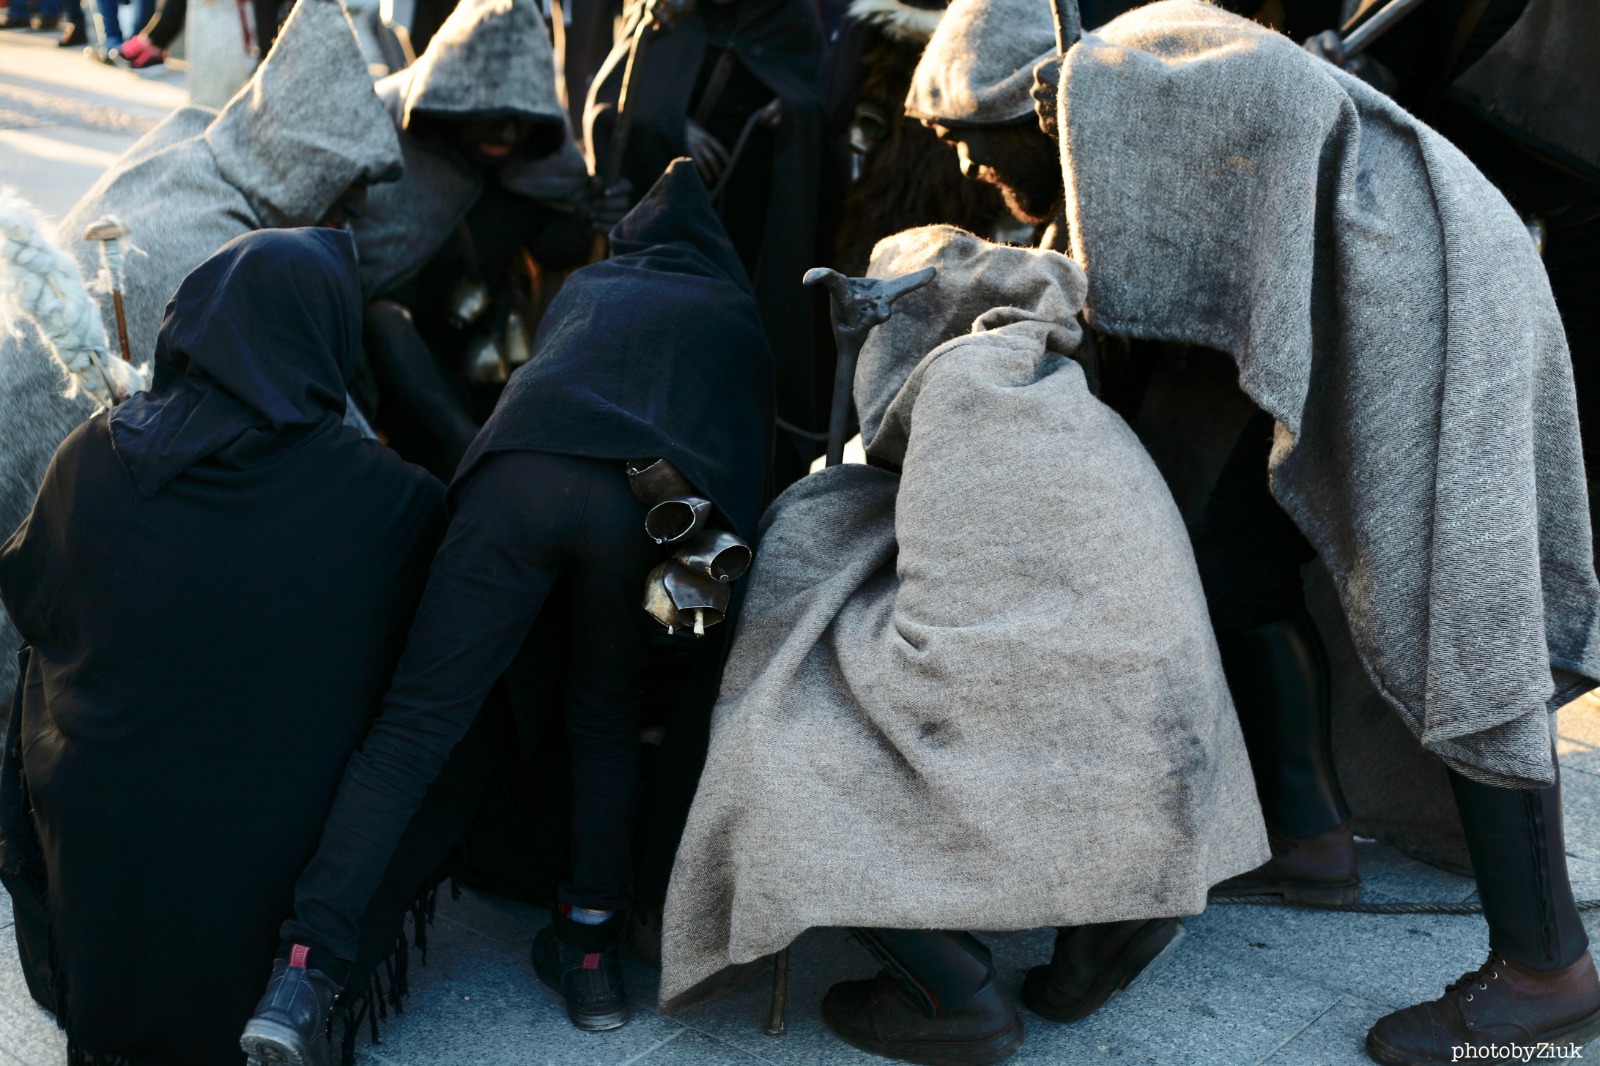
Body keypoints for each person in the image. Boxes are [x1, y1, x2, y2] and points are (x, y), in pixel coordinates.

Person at [931, 1, 1598, 1063]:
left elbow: (1117, 318)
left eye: (965, 141)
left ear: (1032, 97)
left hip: (1428, 303)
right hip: (1369, 289)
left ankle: (1544, 969)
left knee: (1462, 612)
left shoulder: (1113, 81)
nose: (970, 173)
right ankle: (1309, 836)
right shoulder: (1131, 84)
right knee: (1227, 559)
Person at [661, 227, 1270, 1065]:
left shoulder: (964, 385)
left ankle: (953, 995)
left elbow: (958, 634)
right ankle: (1107, 926)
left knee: (779, 749)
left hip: (1058, 683)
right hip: (1152, 705)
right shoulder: (1056, 386)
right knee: (1047, 708)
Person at [238, 160, 774, 1060]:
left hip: (526, 466)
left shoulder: (595, 283)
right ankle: (593, 954)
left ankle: (304, 972)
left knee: (413, 726)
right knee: (603, 717)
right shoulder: (735, 318)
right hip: (644, 492)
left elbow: (540, 381)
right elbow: (737, 491)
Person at [0, 228, 452, 1066]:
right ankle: (308, 971)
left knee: (51, 667)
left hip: (110, 880)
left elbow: (31, 595)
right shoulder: (394, 500)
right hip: (270, 867)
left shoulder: (94, 454)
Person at [352, 0, 613, 480]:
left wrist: (594, 213)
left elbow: (559, 250)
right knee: (385, 322)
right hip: (400, 364)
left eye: (516, 116)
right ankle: (469, 457)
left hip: (489, 348)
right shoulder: (384, 128)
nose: (504, 131)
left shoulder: (538, 161)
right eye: (489, 113)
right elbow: (370, 283)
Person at [584, 0, 826, 488]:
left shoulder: (790, 15)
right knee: (673, 337)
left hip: (758, 215)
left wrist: (793, 109)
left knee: (748, 340)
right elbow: (616, 106)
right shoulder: (668, 12)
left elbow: (818, 103)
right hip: (678, 209)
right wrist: (675, 125)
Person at [817, 0, 1008, 277]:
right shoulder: (997, 21)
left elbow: (835, 109)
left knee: (877, 287)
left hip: (888, 190)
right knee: (961, 289)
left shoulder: (870, 20)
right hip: (970, 186)